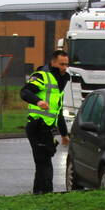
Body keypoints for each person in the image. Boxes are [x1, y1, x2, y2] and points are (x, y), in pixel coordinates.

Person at [20, 49, 70, 194]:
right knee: (44, 161)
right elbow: (25, 92)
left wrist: (64, 134)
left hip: (47, 128)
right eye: (61, 64)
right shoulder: (42, 76)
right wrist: (38, 101)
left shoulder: (60, 81)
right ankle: (47, 193)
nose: (64, 68)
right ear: (53, 62)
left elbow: (57, 112)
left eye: (66, 64)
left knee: (43, 160)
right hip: (36, 126)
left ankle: (39, 193)